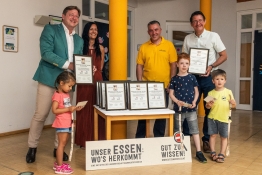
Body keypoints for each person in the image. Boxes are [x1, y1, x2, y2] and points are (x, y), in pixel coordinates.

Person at [26, 6, 83, 163]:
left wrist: (85, 67)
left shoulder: (79, 39)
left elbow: (79, 61)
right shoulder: (50, 29)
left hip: (67, 84)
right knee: (41, 114)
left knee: (64, 115)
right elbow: (46, 53)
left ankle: (58, 148)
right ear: (63, 16)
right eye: (71, 14)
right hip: (48, 78)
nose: (74, 17)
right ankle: (32, 147)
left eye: (77, 16)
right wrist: (69, 65)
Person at [182, 11, 227, 152]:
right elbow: (184, 57)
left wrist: (211, 66)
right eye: (195, 21)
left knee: (209, 107)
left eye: (200, 20)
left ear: (205, 21)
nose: (198, 23)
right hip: (192, 79)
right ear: (191, 24)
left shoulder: (213, 36)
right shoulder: (188, 39)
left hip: (208, 80)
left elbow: (224, 55)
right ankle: (186, 138)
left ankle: (206, 140)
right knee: (190, 107)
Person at [136, 20, 177, 138]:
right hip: (146, 86)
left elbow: (173, 64)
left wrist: (171, 82)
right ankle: (140, 137)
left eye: (156, 30)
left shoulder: (169, 45)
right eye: (151, 30)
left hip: (163, 86)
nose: (154, 32)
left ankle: (158, 137)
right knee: (143, 113)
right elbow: (139, 65)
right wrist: (139, 83)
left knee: (161, 114)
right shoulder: (144, 47)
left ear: (160, 30)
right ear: (148, 32)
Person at [169, 53, 207, 163]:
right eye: (181, 63)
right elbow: (171, 94)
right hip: (179, 110)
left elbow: (196, 91)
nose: (184, 65)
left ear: (189, 65)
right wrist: (177, 102)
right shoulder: (174, 79)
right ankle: (178, 150)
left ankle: (199, 152)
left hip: (191, 110)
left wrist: (195, 101)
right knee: (178, 130)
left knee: (194, 130)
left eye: (186, 63)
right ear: (177, 64)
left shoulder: (192, 77)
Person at [75, 22, 105, 147]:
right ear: (86, 31)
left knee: (97, 108)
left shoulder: (101, 48)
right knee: (83, 108)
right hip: (83, 81)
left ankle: (96, 139)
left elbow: (101, 66)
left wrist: (95, 71)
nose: (94, 31)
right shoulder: (80, 46)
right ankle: (83, 140)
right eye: (91, 29)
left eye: (96, 29)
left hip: (97, 80)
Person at [52, 71, 83, 174]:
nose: (70, 88)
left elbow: (67, 108)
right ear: (61, 83)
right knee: (61, 144)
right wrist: (68, 109)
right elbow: (55, 110)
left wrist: (74, 108)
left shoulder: (66, 94)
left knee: (64, 143)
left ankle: (58, 163)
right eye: (69, 86)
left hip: (67, 122)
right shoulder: (57, 95)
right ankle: (59, 166)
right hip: (61, 122)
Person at [205, 69, 236, 163]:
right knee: (213, 135)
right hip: (212, 118)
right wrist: (209, 105)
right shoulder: (210, 93)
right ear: (213, 81)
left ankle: (222, 153)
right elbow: (207, 106)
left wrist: (233, 103)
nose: (219, 81)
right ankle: (213, 152)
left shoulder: (228, 92)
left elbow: (233, 107)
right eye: (217, 79)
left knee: (223, 137)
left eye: (222, 79)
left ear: (225, 80)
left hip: (224, 118)